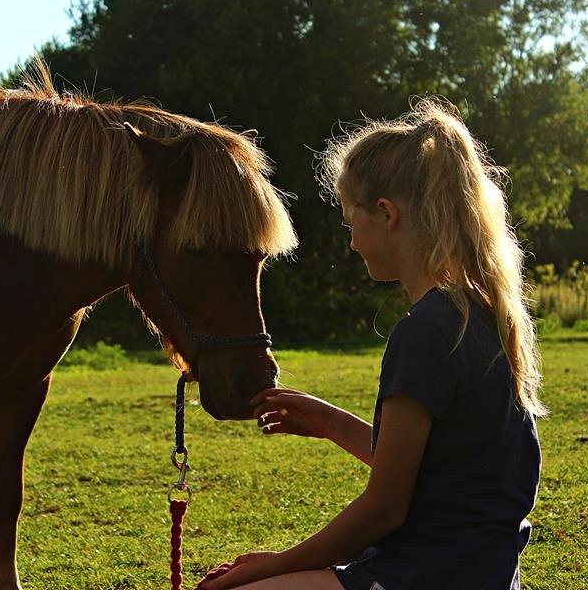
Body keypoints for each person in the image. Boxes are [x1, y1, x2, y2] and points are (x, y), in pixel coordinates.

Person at [200, 99, 544, 590]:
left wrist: (273, 565)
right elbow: (442, 472)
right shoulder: (482, 314)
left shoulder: (425, 331)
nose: (352, 242)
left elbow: (384, 509)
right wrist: (330, 423)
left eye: (350, 220)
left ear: (386, 214)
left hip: (425, 574)